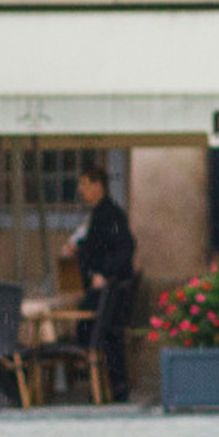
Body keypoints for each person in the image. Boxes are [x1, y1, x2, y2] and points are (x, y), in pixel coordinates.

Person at [60, 162, 137, 403]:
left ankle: (115, 388)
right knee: (104, 337)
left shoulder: (110, 213)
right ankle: (110, 387)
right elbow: (96, 244)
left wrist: (104, 273)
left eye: (84, 184)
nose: (81, 190)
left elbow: (125, 246)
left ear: (98, 185)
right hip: (104, 287)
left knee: (103, 336)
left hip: (109, 290)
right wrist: (79, 249)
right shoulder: (99, 213)